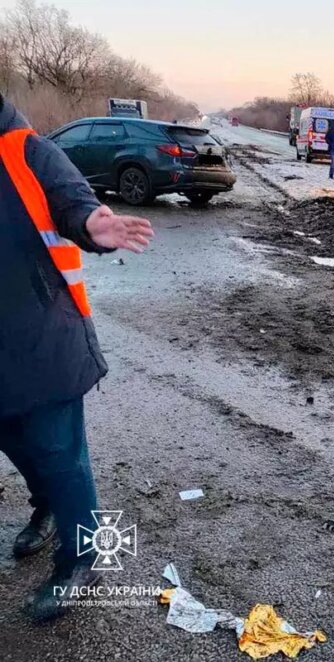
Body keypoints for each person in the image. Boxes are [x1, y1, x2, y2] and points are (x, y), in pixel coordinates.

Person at [0, 94, 154, 622]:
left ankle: (83, 559)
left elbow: (71, 200)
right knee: (18, 443)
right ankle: (45, 508)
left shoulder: (27, 149)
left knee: (62, 456)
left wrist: (93, 225)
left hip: (41, 337)